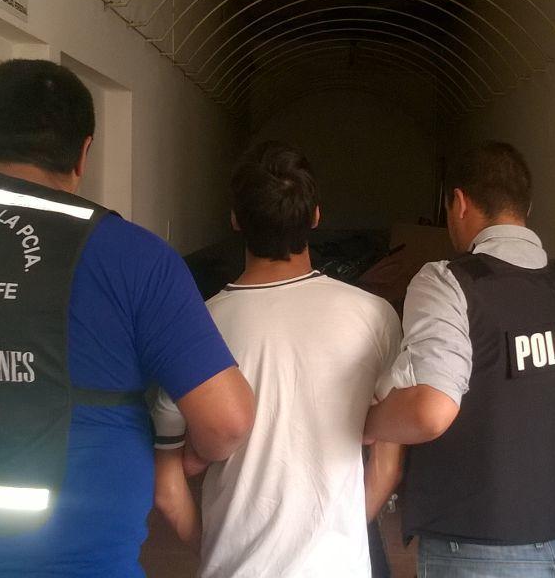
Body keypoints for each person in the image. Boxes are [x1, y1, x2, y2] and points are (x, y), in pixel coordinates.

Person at [0, 59, 254, 577]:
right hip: (63, 556)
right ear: (83, 151)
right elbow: (227, 419)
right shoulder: (131, 255)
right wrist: (182, 459)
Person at [365, 140, 555, 577]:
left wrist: (368, 424)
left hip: (475, 552)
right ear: (527, 207)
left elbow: (429, 410)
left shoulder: (449, 283)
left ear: (460, 203)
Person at [150, 141, 404, 578]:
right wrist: (337, 542)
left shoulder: (195, 327)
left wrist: (216, 552)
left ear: (235, 219)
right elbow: (386, 466)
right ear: (316, 217)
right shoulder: (375, 317)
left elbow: (167, 491)